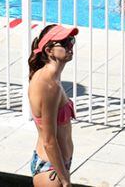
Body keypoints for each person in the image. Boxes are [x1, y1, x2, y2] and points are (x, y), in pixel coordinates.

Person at [28, 24, 78, 187]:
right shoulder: (48, 86)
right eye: (64, 43)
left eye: (71, 40)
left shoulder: (52, 78)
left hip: (57, 165)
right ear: (49, 50)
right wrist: (64, 180)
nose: (70, 46)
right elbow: (49, 140)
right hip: (52, 170)